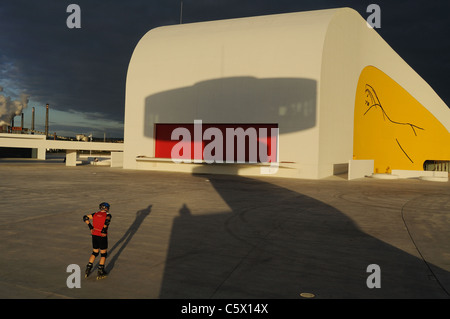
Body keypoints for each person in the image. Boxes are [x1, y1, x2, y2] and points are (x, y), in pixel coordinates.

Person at [83, 202, 112, 279]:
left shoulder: (95, 214)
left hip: (94, 235)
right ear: (105, 208)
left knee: (95, 252)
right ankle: (100, 271)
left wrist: (90, 227)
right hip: (102, 236)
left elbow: (85, 217)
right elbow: (107, 222)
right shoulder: (108, 215)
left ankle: (88, 268)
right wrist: (103, 230)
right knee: (103, 254)